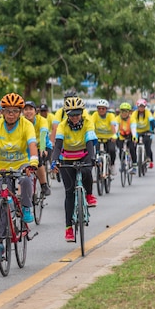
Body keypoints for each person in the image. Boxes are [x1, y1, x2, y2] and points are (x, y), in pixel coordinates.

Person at [0, 93, 39, 263]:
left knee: (26, 178)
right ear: (2, 112)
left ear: (20, 112)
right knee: (1, 206)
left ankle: (26, 207)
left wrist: (33, 162)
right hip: (0, 167)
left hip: (21, 164)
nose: (11, 114)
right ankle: (0, 244)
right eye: (8, 111)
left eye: (15, 111)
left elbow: (32, 144)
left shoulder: (27, 125)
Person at [50, 96, 98, 242]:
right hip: (67, 158)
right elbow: (58, 146)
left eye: (77, 114)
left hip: (83, 154)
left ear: (82, 113)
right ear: (67, 114)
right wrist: (54, 161)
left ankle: (89, 194)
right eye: (71, 114)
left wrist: (93, 157)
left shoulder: (88, 122)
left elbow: (90, 142)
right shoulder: (62, 126)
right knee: (69, 193)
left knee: (87, 171)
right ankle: (68, 228)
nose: (75, 117)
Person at [22, 100, 51, 196]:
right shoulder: (21, 121)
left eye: (31, 109)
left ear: (36, 111)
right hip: (27, 148)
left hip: (43, 147)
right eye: (26, 109)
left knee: (38, 159)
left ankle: (44, 184)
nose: (28, 112)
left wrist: (42, 148)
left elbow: (43, 135)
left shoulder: (42, 120)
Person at [90, 99, 118, 175]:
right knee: (97, 153)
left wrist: (114, 135)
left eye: (103, 108)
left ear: (106, 109)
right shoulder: (95, 115)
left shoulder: (110, 116)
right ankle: (99, 167)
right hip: (98, 138)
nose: (101, 110)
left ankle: (112, 165)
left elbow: (113, 126)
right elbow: (91, 125)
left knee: (112, 150)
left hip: (109, 138)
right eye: (99, 108)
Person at [130, 99, 155, 168]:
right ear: (137, 107)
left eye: (143, 106)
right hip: (137, 131)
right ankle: (135, 160)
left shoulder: (147, 112)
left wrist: (152, 129)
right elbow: (133, 123)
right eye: (140, 107)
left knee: (148, 144)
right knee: (133, 144)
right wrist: (134, 135)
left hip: (146, 131)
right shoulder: (134, 113)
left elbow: (151, 120)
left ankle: (148, 158)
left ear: (145, 107)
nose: (141, 108)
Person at [116, 102, 137, 174]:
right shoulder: (117, 118)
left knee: (132, 148)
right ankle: (122, 164)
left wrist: (134, 136)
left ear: (129, 112)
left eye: (126, 111)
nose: (124, 113)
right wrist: (114, 135)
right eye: (122, 111)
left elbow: (133, 128)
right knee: (121, 150)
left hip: (130, 136)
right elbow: (115, 128)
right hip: (121, 136)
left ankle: (134, 166)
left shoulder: (132, 119)